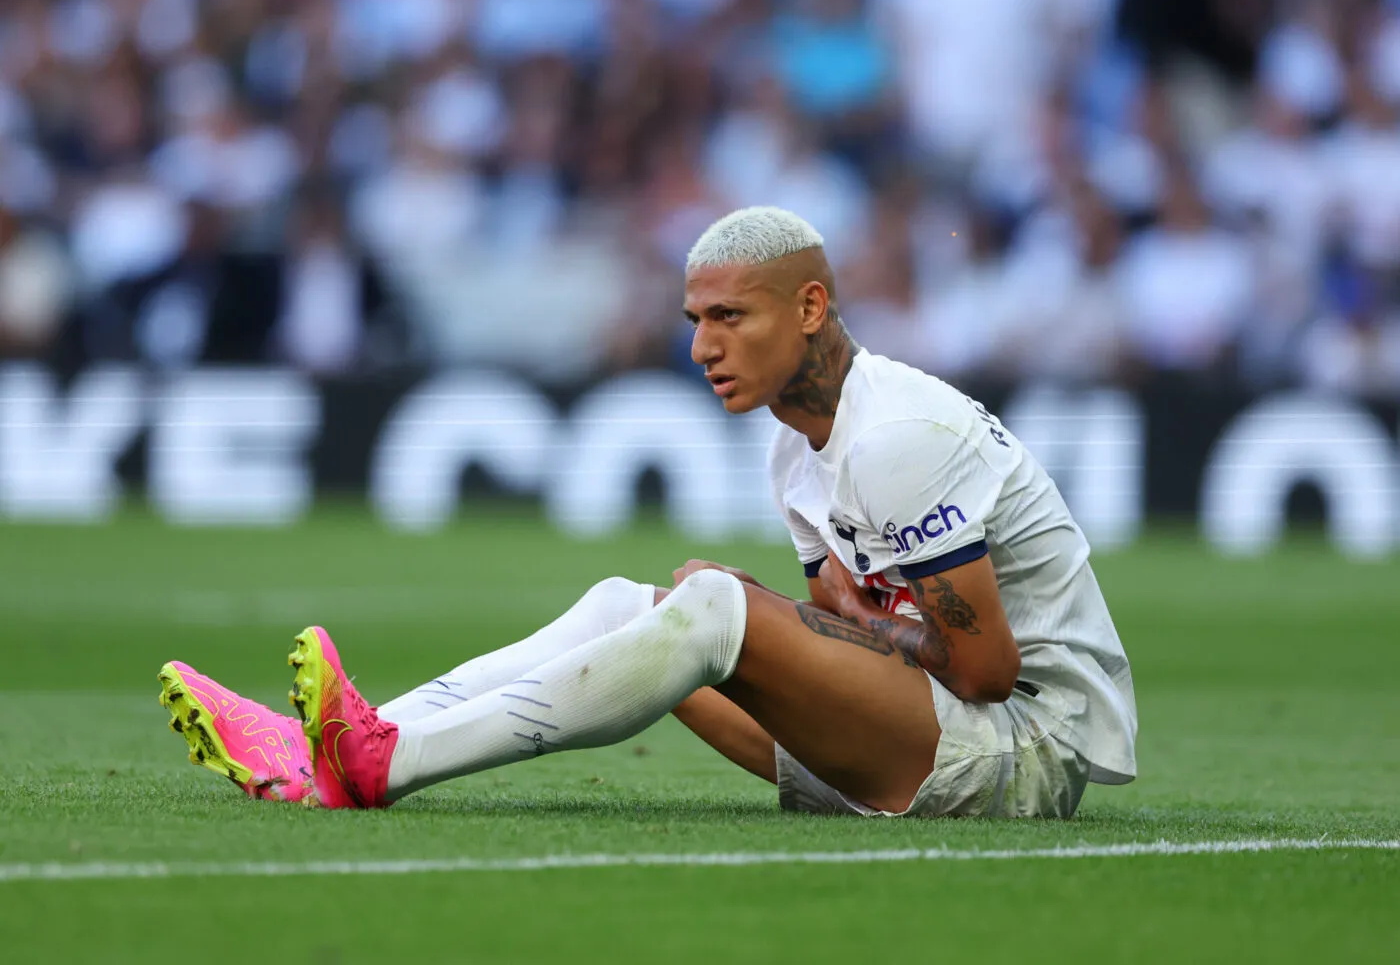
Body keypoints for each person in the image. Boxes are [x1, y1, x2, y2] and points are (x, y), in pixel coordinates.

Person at [158, 206, 1137, 818]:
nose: (703, 345)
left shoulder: (896, 438)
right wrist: (806, 620)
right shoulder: (797, 450)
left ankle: (387, 761)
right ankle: (355, 738)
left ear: (807, 307)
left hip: (1022, 751)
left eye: (729, 317)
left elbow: (984, 668)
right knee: (631, 601)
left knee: (710, 609)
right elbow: (844, 642)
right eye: (693, 321)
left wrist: (775, 615)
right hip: (921, 738)